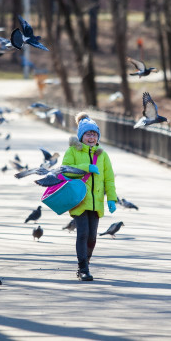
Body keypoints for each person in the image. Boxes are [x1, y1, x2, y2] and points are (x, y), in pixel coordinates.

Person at [62, 112, 118, 281]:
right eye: (88, 134)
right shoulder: (72, 151)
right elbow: (65, 171)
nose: (91, 137)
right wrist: (86, 167)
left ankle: (85, 262)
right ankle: (83, 268)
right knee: (83, 234)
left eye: (94, 134)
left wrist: (112, 199)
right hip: (79, 201)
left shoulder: (103, 155)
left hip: (97, 203)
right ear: (81, 136)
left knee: (93, 237)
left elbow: (109, 179)